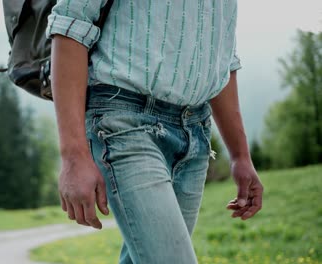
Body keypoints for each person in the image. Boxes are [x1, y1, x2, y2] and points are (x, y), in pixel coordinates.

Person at [46, 1, 264, 263]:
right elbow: (70, 23)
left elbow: (222, 57)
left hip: (195, 132)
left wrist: (241, 155)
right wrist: (73, 155)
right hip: (125, 122)